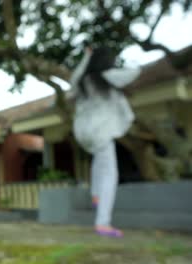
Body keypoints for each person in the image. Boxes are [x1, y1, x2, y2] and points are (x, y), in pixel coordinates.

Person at [70, 47, 141, 238]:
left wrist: (86, 57)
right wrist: (134, 66)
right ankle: (103, 223)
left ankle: (95, 195)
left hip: (83, 133)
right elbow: (133, 73)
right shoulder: (108, 78)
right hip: (101, 132)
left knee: (99, 161)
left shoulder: (83, 82)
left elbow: (75, 75)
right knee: (110, 174)